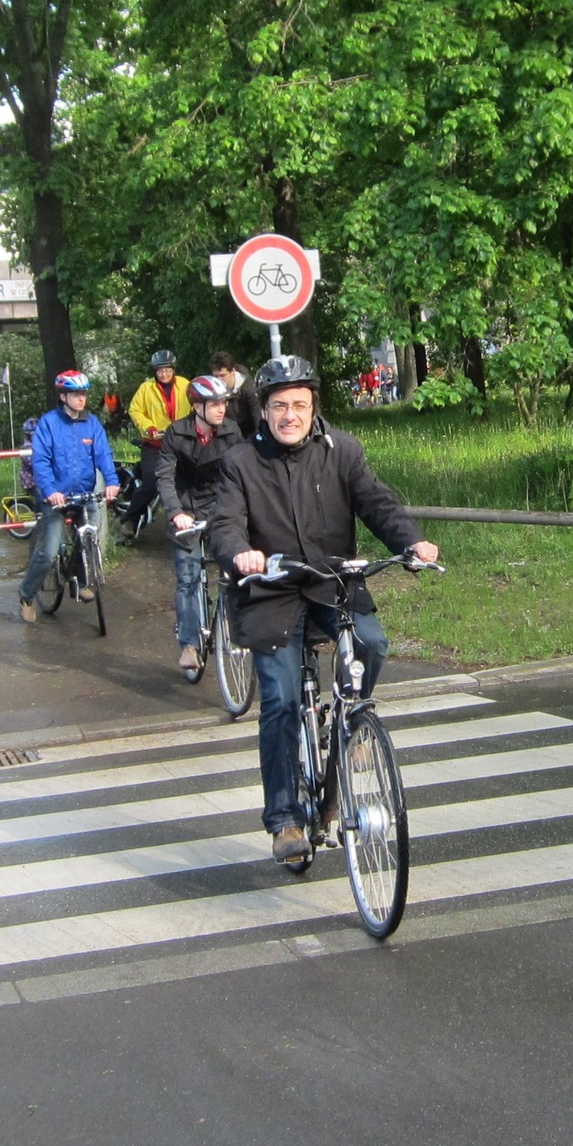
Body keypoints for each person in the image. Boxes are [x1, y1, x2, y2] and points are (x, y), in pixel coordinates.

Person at [208, 356, 439, 863]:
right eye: (279, 406)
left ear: (314, 408)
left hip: (332, 582)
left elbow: (377, 502)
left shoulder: (343, 452)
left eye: (299, 405)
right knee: (281, 702)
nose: (290, 415)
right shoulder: (241, 463)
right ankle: (286, 819)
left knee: (373, 641)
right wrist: (239, 552)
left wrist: (413, 542)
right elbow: (224, 524)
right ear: (264, 411)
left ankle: (352, 724)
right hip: (270, 593)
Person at [154, 374, 243, 673]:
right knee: (189, 577)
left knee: (236, 568)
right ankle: (189, 644)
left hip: (220, 507)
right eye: (215, 404)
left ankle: (241, 630)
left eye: (224, 403)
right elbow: (165, 476)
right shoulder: (175, 434)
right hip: (186, 510)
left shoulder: (232, 431)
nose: (221, 409)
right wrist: (176, 511)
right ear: (197, 407)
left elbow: (244, 473)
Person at [17, 370, 120, 623]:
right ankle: (26, 594)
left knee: (88, 539)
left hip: (84, 494)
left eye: (83, 393)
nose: (81, 399)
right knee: (48, 552)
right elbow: (40, 460)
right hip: (57, 496)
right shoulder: (49, 424)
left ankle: (82, 580)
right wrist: (50, 491)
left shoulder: (92, 423)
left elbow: (103, 455)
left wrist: (112, 482)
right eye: (75, 394)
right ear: (63, 396)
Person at [124, 350, 185, 535]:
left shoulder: (185, 384)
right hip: (154, 444)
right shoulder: (146, 388)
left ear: (173, 370)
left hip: (180, 442)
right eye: (160, 371)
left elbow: (196, 404)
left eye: (167, 370)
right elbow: (135, 410)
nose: (164, 374)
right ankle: (129, 521)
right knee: (151, 481)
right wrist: (148, 426)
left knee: (188, 480)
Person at [209, 351, 261, 438]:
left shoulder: (249, 389)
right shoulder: (212, 389)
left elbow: (258, 418)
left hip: (250, 435)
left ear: (233, 371)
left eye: (222, 376)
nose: (218, 380)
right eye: (215, 376)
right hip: (227, 435)